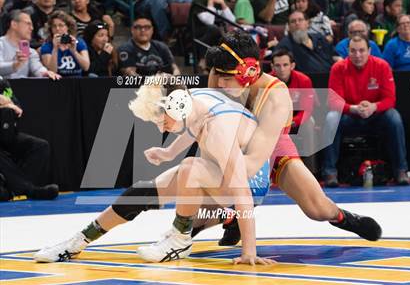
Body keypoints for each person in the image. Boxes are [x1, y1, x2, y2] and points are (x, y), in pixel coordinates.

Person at [152, 30, 383, 250]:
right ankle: (216, 222)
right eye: (216, 74)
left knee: (318, 209)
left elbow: (253, 165)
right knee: (200, 209)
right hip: (233, 143)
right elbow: (203, 124)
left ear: (249, 72)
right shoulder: (219, 72)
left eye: (225, 78)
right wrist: (175, 157)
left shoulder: (274, 95)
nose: (219, 83)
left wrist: (233, 200)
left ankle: (342, 217)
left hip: (273, 148)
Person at [33, 76, 276, 265]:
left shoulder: (218, 130)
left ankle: (181, 239)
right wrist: (169, 153)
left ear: (177, 105)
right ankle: (77, 242)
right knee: (142, 192)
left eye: (162, 119)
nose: (161, 126)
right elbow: (194, 126)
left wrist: (249, 252)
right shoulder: (195, 101)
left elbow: (242, 189)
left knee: (190, 168)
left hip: (251, 183)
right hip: (223, 169)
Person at [323, 35, 410, 186]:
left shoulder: (382, 66)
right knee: (331, 117)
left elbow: (390, 99)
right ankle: (330, 172)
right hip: (350, 117)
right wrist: (354, 109)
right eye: (353, 51)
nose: (358, 55)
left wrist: (373, 107)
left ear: (369, 51)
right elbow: (334, 101)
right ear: (347, 52)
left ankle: (401, 170)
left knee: (394, 117)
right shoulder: (338, 68)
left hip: (376, 116)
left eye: (362, 50)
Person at [0, 77, 59, 201]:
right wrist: (5, 103)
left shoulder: (3, 82)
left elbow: (17, 108)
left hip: (7, 131)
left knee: (40, 146)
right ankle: (29, 190)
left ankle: (15, 189)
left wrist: (9, 104)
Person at [270, 48, 317, 173]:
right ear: (272, 66)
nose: (282, 69)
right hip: (275, 120)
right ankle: (268, 172)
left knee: (309, 123)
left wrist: (293, 122)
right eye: (278, 65)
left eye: (285, 65)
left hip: (297, 120)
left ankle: (310, 171)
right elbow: (265, 109)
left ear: (292, 65)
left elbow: (307, 110)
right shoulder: (267, 82)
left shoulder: (304, 80)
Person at [0, 9, 60, 79]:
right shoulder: (1, 44)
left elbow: (37, 68)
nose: (32, 28)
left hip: (22, 88)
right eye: (28, 24)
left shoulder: (30, 51)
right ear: (14, 24)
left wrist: (46, 73)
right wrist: (15, 65)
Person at [40, 10, 90, 77]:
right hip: (57, 82)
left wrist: (74, 51)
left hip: (76, 81)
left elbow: (86, 67)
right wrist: (55, 49)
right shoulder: (47, 46)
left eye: (61, 25)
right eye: (54, 26)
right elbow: (52, 72)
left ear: (68, 27)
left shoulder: (79, 42)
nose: (57, 29)